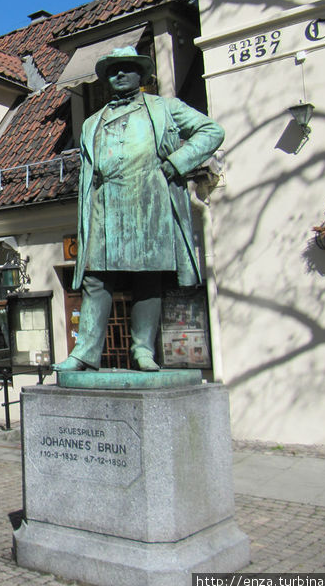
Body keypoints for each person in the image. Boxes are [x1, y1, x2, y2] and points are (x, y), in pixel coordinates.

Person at [55, 46, 224, 372]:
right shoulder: (92, 122)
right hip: (105, 210)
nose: (119, 74)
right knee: (96, 280)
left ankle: (143, 350)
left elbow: (212, 131)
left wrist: (179, 162)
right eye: (113, 69)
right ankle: (85, 353)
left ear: (141, 74)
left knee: (148, 278)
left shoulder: (165, 108)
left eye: (127, 68)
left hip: (150, 204)